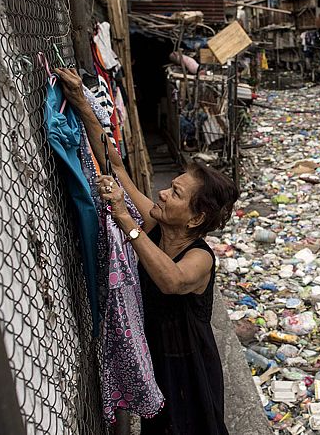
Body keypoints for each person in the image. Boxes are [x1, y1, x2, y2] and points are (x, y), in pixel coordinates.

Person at [54, 68, 237, 434]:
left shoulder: (199, 257)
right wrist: (82, 105)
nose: (163, 193)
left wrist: (126, 219)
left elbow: (171, 281)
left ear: (196, 218)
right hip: (153, 360)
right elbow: (116, 165)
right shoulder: (155, 228)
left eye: (176, 194)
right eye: (171, 186)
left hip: (189, 371)